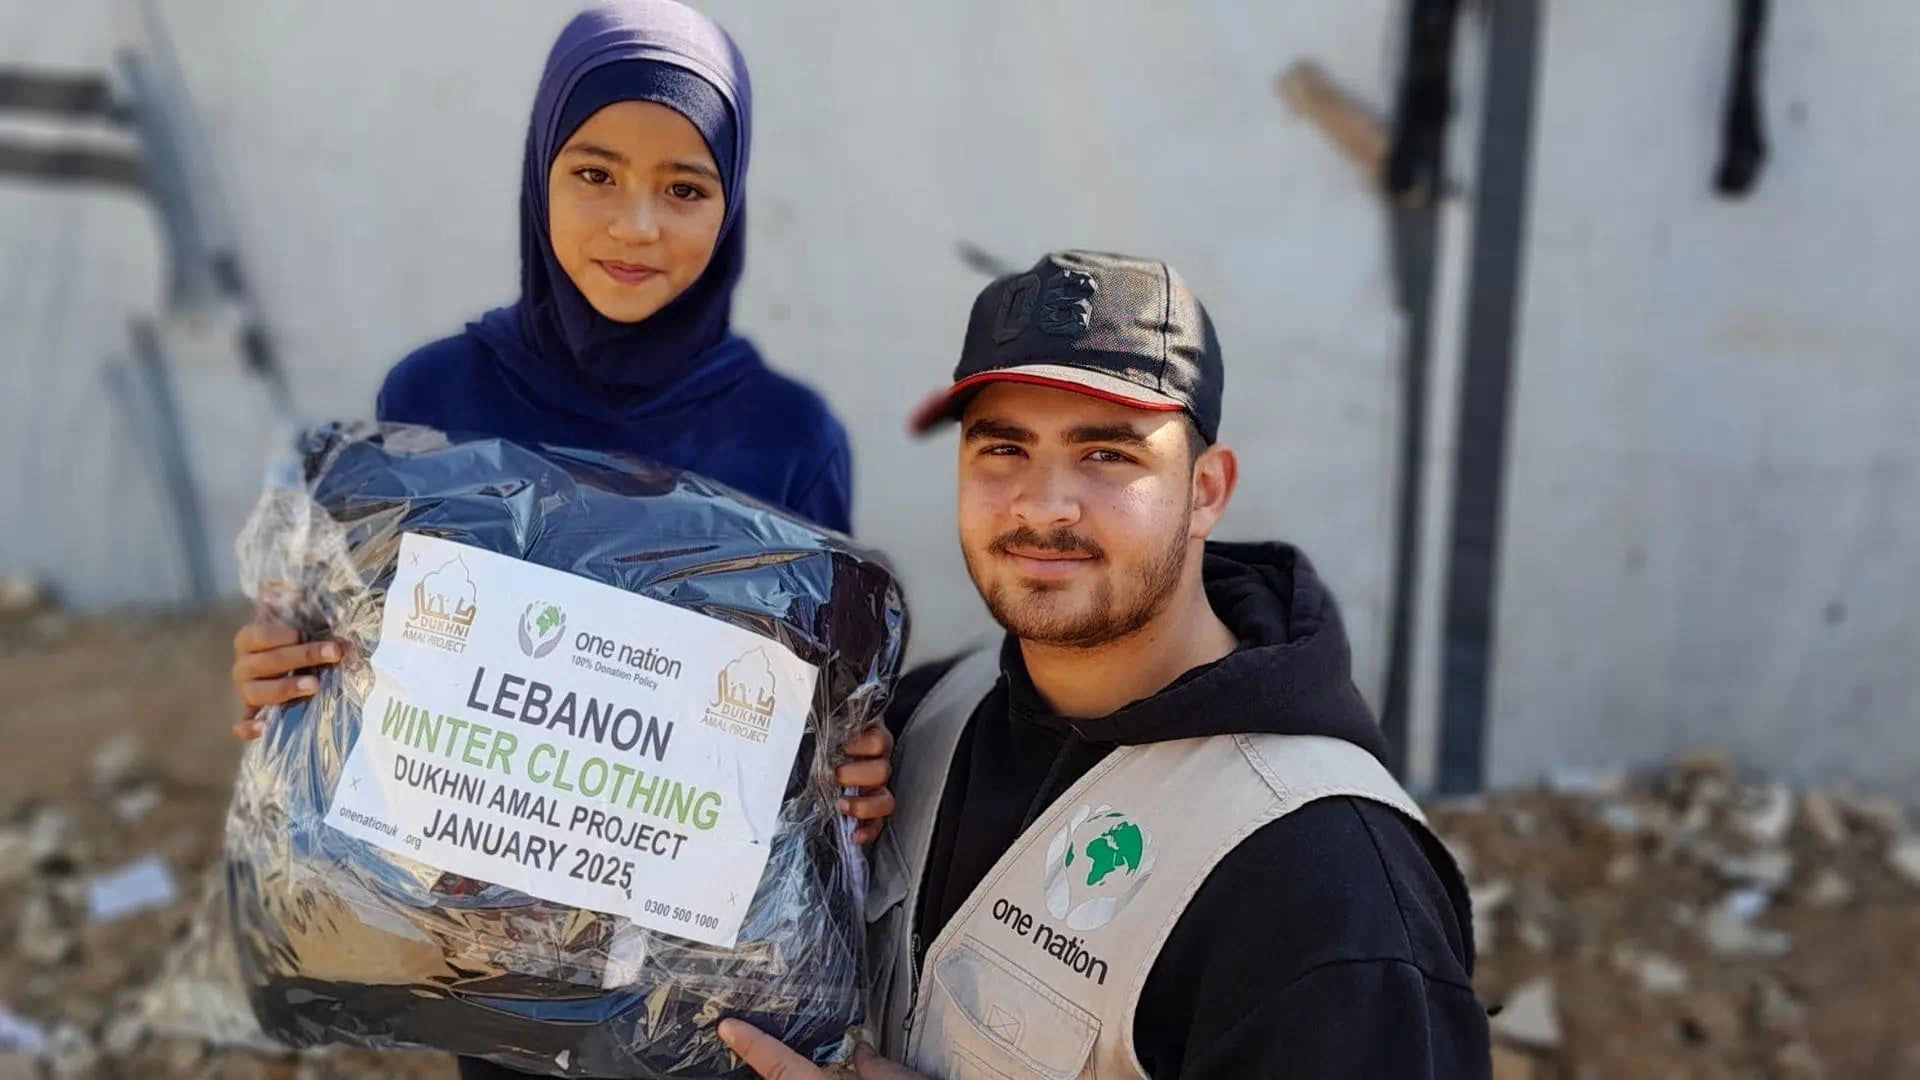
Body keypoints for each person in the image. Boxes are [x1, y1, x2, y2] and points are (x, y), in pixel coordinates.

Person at [225, 4, 894, 1075]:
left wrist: (851, 762)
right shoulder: (435, 397)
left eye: (686, 186)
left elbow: (817, 711)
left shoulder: (789, 436)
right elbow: (364, 664)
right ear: (539, 174)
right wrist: (286, 677)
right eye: (594, 173)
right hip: (474, 955)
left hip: (690, 987)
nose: (637, 223)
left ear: (735, 201)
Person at [720, 251, 1492, 1078]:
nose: (1044, 503)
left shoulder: (1328, 881)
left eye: (1108, 455)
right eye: (1003, 449)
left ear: (1206, 491)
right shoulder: (932, 711)